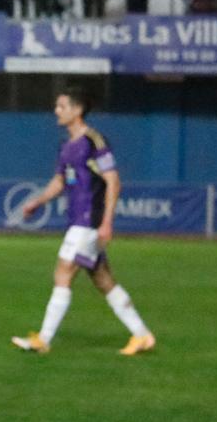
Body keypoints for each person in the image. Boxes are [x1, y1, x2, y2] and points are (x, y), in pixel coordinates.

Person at [10, 86, 156, 357]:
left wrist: (107, 222)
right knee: (103, 280)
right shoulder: (66, 146)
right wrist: (37, 202)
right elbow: (60, 181)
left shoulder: (93, 141)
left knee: (63, 272)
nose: (57, 111)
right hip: (78, 220)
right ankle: (142, 335)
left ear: (77, 110)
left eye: (62, 106)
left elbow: (113, 180)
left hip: (89, 220)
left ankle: (43, 339)